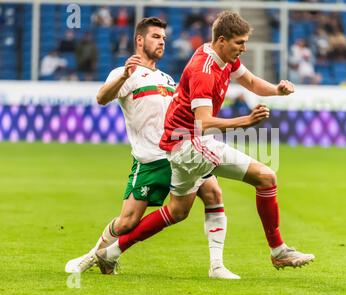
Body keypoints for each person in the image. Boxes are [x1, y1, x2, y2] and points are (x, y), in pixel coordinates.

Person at [94, 11, 315, 276]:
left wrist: (277, 90)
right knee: (265, 176)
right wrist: (245, 120)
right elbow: (204, 122)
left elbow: (252, 82)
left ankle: (112, 252)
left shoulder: (222, 58)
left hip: (180, 144)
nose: (244, 49)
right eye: (239, 43)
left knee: (179, 210)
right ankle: (278, 251)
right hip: (188, 143)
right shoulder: (203, 71)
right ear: (222, 40)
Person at [65, 17, 239, 280]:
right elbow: (101, 98)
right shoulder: (125, 72)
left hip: (182, 152)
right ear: (139, 40)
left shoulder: (168, 79)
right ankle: (92, 256)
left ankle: (217, 266)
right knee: (128, 221)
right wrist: (124, 74)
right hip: (150, 159)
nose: (161, 42)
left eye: (164, 39)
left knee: (213, 193)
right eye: (156, 37)